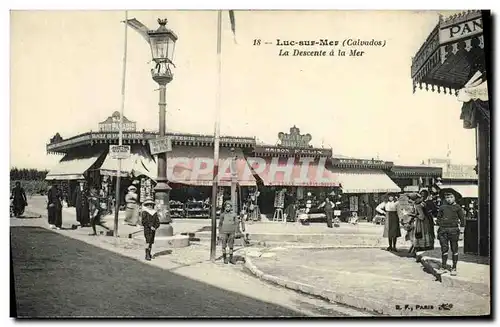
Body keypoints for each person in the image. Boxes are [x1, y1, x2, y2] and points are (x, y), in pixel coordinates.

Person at [436, 191, 465, 276]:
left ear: (454, 198)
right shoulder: (442, 207)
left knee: (454, 249)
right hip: (443, 231)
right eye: (447, 197)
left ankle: (454, 267)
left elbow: (463, 220)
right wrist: (439, 228)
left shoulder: (457, 207)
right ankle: (443, 267)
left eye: (451, 197)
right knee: (444, 249)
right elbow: (438, 218)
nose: (449, 199)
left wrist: (462, 232)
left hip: (454, 231)